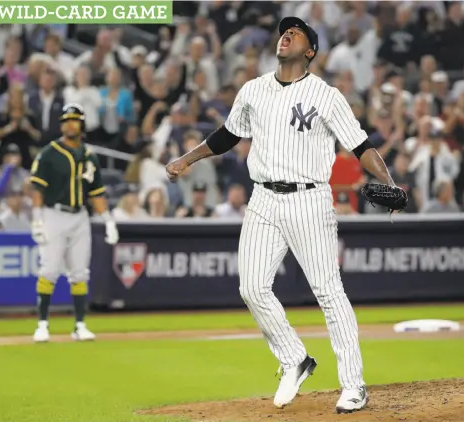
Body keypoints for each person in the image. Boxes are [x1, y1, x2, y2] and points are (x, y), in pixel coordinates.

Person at [166, 17, 401, 414]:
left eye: (296, 33)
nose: (286, 34)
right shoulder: (253, 89)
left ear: (310, 51)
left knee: (328, 292)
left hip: (308, 199)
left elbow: (362, 147)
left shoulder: (325, 95)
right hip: (262, 199)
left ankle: (354, 384)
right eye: (284, 31)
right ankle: (295, 358)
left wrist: (391, 182)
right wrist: (187, 158)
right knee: (252, 287)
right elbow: (228, 135)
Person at [29, 103, 119, 343]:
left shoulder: (89, 156)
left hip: (80, 216)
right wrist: (37, 220)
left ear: (82, 124)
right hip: (53, 214)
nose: (70, 124)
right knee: (49, 269)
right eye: (67, 120)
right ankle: (42, 324)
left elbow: (96, 193)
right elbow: (37, 188)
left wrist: (108, 220)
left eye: (75, 120)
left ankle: (79, 324)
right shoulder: (49, 153)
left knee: (80, 272)